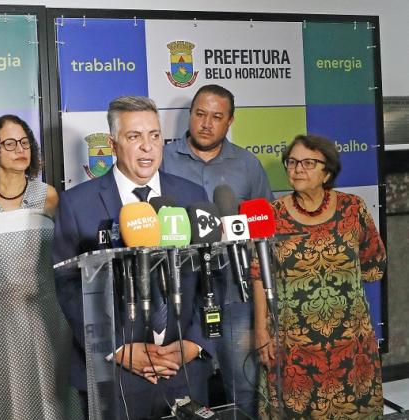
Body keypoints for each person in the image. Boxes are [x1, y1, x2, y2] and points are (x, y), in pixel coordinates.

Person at [53, 95, 216, 419]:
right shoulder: (77, 204)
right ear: (113, 144)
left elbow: (214, 275)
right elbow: (68, 288)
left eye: (154, 135)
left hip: (184, 368)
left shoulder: (192, 195)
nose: (147, 147)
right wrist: (117, 348)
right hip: (115, 373)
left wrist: (195, 343)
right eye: (134, 136)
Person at [0, 115, 79, 419]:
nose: (20, 149)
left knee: (51, 402)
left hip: (46, 320)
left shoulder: (48, 196)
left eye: (25, 142)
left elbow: (63, 259)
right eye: (9, 143)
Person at [253, 134, 386, 419]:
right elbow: (258, 274)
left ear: (327, 173)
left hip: (351, 340)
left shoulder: (353, 208)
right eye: (292, 162)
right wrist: (261, 331)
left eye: (308, 163)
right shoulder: (271, 215)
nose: (298, 169)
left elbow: (374, 262)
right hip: (293, 343)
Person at [162, 84, 274, 415]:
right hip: (181, 294)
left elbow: (264, 232)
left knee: (244, 386)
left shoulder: (247, 164)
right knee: (186, 395)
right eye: (200, 114)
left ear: (230, 121)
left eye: (216, 117)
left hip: (236, 292)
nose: (206, 124)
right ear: (190, 115)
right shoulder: (162, 159)